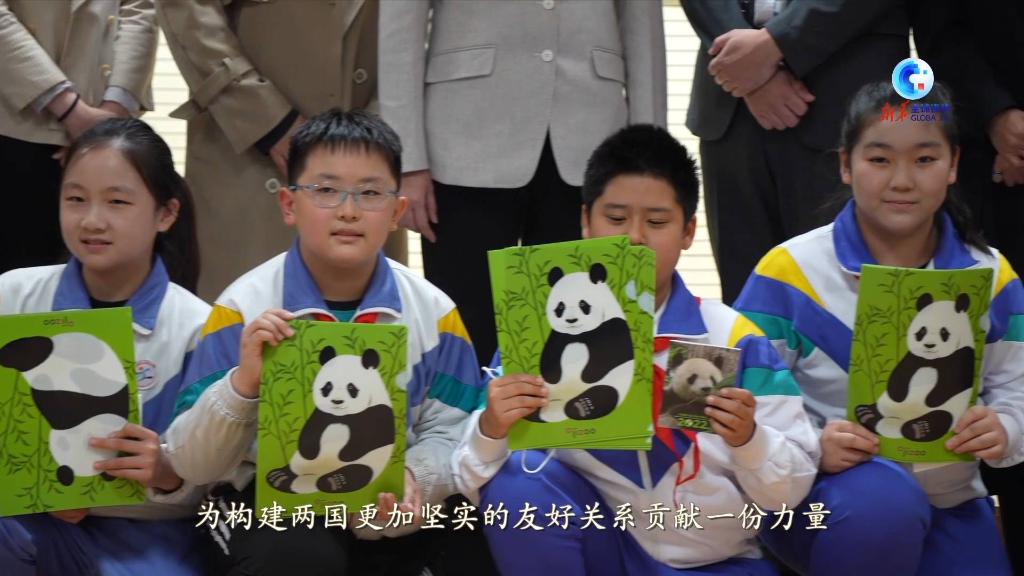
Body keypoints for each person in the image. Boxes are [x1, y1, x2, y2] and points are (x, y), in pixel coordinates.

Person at [453, 124, 820, 575]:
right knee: (517, 482)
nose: (634, 238)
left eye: (657, 222)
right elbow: (469, 480)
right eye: (615, 218)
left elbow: (791, 492)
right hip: (599, 551)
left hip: (717, 562)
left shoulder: (734, 338)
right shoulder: (531, 332)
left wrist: (749, 439)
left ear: (688, 231)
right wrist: (491, 428)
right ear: (585, 221)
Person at [158, 109, 483, 574]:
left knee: (484, 534)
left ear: (396, 212)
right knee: (299, 556)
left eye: (370, 193)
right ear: (289, 204)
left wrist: (417, 478)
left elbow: (455, 432)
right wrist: (243, 384)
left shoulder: (436, 314)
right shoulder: (241, 309)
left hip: (390, 503)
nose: (349, 210)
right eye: (326, 190)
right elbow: (192, 463)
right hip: (266, 503)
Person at [734, 82, 1022, 576]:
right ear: (846, 165)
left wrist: (1006, 427)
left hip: (951, 499)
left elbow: (1017, 384)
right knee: (883, 506)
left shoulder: (990, 275)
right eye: (880, 159)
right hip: (823, 496)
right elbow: (741, 399)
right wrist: (814, 446)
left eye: (925, 159)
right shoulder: (788, 271)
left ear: (954, 164)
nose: (902, 181)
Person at [379, 0, 667, 366]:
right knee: (466, 330)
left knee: (577, 335)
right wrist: (407, 160)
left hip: (590, 133)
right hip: (462, 134)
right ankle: (464, 405)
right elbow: (400, 27)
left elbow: (643, 27)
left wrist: (646, 156)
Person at [0, 118, 209, 575]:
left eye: (117, 201)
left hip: (144, 536)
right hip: (17, 525)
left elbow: (215, 482)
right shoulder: (11, 297)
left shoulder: (198, 328)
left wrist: (166, 473)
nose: (92, 221)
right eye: (75, 199)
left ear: (166, 214)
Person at [156, 0, 406, 301]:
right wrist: (271, 121)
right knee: (244, 314)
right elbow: (189, 10)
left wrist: (375, 128)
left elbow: (413, 32)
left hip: (369, 145)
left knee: (371, 319)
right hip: (248, 145)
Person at [682, 0, 913, 304]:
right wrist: (744, 64)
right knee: (744, 303)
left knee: (844, 301)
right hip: (732, 106)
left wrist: (776, 44)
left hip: (843, 96)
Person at [0, 0, 157, 274]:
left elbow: (140, 8)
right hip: (17, 119)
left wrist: (113, 111)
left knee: (113, 275)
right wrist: (71, 111)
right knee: (18, 276)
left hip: (110, 120)